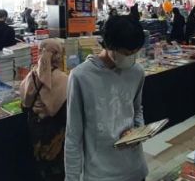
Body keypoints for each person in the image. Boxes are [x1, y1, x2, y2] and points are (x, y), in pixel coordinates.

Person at [65, 16, 148, 181]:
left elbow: (137, 108)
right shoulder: (81, 76)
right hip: (101, 173)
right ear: (109, 46)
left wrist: (139, 131)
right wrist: (72, 177)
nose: (131, 58)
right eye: (126, 53)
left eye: (134, 53)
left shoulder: (136, 71)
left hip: (135, 169)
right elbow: (73, 134)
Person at [20, 39, 68, 181]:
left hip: (35, 127)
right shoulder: (63, 79)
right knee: (56, 168)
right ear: (58, 55)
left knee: (40, 165)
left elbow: (24, 100)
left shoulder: (32, 75)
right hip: (55, 132)